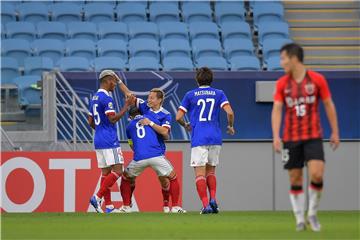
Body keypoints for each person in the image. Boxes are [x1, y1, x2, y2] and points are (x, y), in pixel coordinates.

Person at [272, 43, 340, 231]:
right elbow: (277, 109)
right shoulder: (282, 84)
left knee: (317, 174)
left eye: (283, 58)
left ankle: (312, 214)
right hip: (291, 137)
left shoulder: (317, 79)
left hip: (313, 136)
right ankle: (300, 219)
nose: (282, 62)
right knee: (295, 179)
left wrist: (335, 131)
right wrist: (276, 136)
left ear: (294, 58)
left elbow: (328, 104)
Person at [175, 67, 235, 214]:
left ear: (197, 79)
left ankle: (206, 205)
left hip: (199, 137)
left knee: (200, 174)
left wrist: (186, 124)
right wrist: (230, 126)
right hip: (215, 137)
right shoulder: (219, 93)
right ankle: (213, 199)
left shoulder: (190, 95)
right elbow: (230, 112)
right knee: (211, 172)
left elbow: (178, 117)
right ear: (211, 79)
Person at [119, 106, 186, 213]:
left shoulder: (129, 126)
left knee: (126, 178)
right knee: (173, 177)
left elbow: (131, 145)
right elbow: (164, 134)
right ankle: (175, 207)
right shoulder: (152, 119)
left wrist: (141, 148)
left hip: (139, 157)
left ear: (131, 117)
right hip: (156, 155)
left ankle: (126, 207)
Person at [126, 88, 179, 213]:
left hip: (158, 149)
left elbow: (165, 134)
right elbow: (130, 95)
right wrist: (119, 81)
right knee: (169, 177)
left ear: (159, 100)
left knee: (164, 181)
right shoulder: (145, 108)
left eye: (151, 97)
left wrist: (150, 123)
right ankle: (127, 204)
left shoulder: (165, 114)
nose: (148, 99)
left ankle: (166, 206)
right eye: (148, 97)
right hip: (150, 152)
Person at [88, 70, 132, 213]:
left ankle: (109, 206)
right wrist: (126, 106)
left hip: (98, 139)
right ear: (107, 81)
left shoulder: (94, 97)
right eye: (113, 81)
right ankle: (97, 196)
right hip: (109, 139)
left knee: (105, 173)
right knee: (118, 170)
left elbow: (90, 121)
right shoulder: (107, 98)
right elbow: (112, 118)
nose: (114, 84)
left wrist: (100, 128)